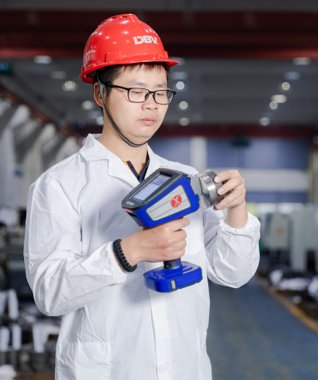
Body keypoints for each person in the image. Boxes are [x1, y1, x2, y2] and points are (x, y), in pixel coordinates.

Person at [24, 14, 260, 380]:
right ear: (100, 93)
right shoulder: (60, 186)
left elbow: (233, 274)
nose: (152, 104)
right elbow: (50, 294)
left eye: (161, 91)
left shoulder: (185, 181)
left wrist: (238, 211)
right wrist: (127, 252)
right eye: (136, 91)